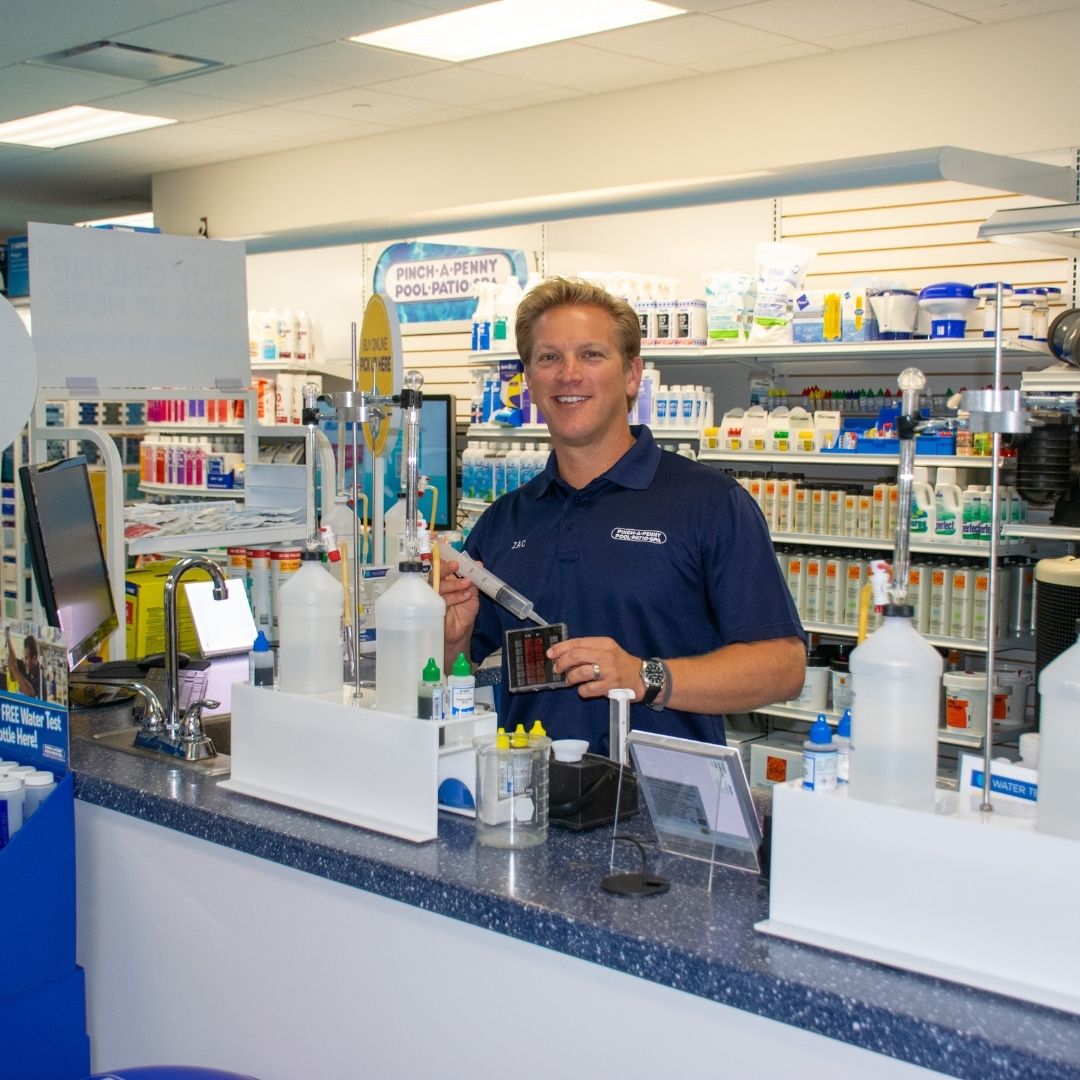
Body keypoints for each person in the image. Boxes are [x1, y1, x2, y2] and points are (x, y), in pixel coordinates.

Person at [441, 276, 805, 753]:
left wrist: (645, 676)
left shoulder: (710, 503)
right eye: (549, 357)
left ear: (632, 375)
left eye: (591, 354)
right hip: (530, 801)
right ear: (528, 381)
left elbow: (784, 667)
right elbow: (456, 671)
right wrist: (454, 637)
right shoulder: (506, 520)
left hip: (663, 808)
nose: (568, 374)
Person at [5, 628, 45, 700]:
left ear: (34, 658)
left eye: (26, 658)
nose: (24, 661)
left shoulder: (40, 679)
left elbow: (31, 695)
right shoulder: (29, 673)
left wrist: (14, 668)